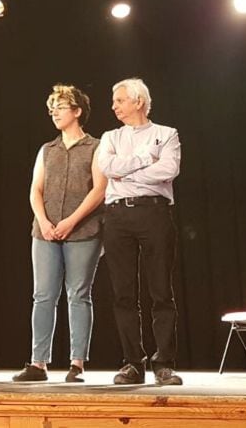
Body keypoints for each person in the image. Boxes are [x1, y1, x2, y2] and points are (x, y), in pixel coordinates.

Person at [12, 84, 107, 383]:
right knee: (43, 295)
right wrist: (43, 220)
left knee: (78, 294)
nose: (54, 111)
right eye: (51, 107)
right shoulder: (47, 150)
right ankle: (38, 363)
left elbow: (100, 189)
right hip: (45, 233)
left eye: (61, 106)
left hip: (84, 230)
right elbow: (35, 190)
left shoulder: (96, 146)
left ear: (77, 111)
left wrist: (71, 221)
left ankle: (76, 363)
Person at [97, 78, 183, 386]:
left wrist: (129, 172)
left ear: (138, 102)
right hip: (118, 215)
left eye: (119, 100)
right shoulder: (110, 137)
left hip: (155, 213)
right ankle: (133, 362)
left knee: (161, 290)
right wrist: (147, 159)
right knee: (123, 293)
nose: (114, 106)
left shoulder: (166, 134)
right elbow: (108, 169)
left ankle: (164, 364)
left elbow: (169, 171)